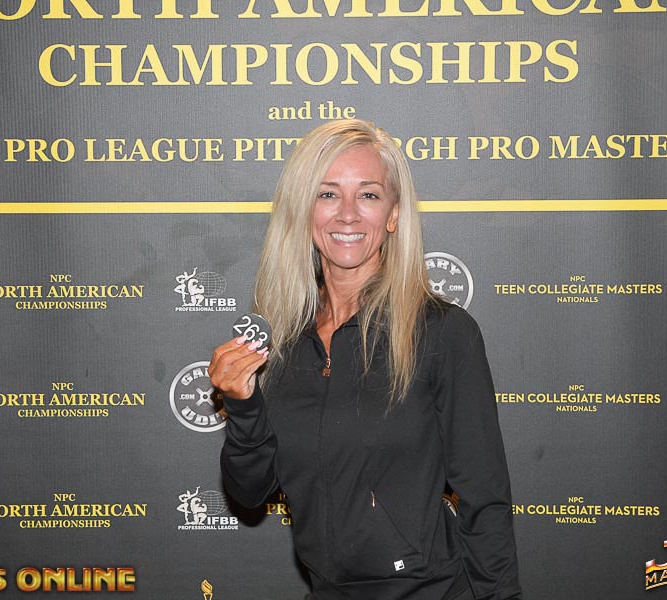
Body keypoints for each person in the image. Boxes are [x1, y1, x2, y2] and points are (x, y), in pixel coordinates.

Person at [209, 119, 522, 600]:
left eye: (369, 195)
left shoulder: (441, 332)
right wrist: (243, 405)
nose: (348, 214)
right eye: (328, 194)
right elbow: (250, 492)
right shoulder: (282, 340)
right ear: (304, 210)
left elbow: (486, 497)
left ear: (393, 215)